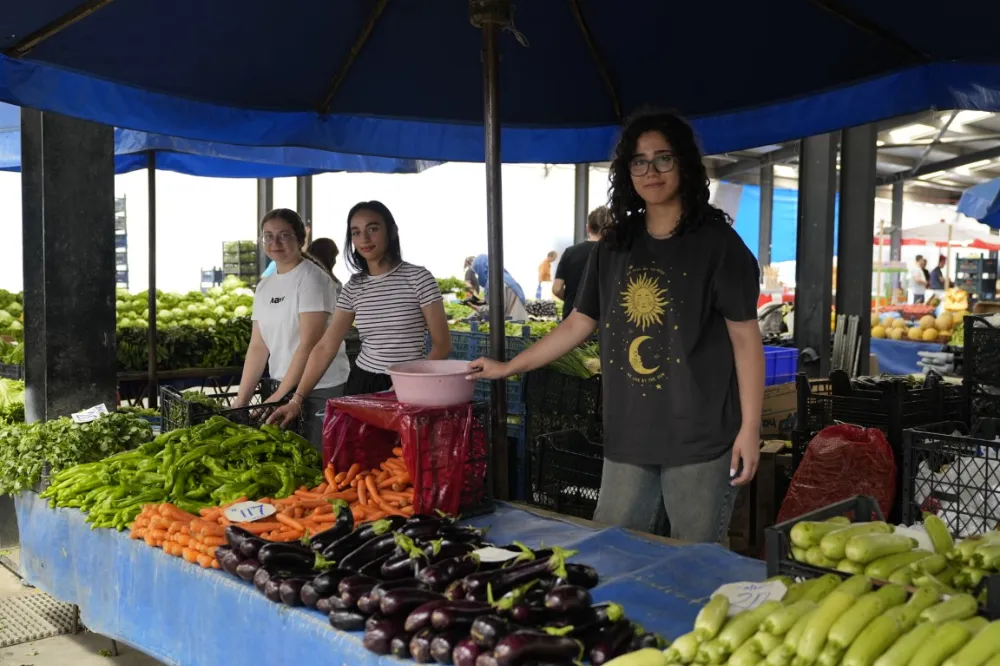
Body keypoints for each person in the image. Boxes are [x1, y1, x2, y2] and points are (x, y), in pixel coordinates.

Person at [468, 111, 764, 544]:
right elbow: (577, 325)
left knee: (694, 565)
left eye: (663, 158)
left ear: (684, 163)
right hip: (629, 435)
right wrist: (509, 367)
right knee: (613, 555)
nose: (652, 171)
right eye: (640, 161)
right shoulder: (615, 246)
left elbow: (745, 340)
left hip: (702, 438)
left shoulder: (719, 246)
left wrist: (750, 429)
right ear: (628, 172)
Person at [269, 201, 451, 427]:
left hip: (410, 383)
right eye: (356, 232)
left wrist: (411, 382)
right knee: (361, 459)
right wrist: (297, 399)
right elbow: (326, 346)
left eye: (373, 229)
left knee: (402, 459)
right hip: (362, 384)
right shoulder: (354, 286)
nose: (364, 239)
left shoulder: (419, 278)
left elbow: (442, 344)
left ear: (392, 231)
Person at [235, 209, 349, 450]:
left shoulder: (312, 280)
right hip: (282, 383)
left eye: (284, 235)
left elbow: (309, 345)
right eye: (268, 236)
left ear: (300, 239)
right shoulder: (265, 285)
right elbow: (258, 346)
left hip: (318, 387)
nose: (275, 242)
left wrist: (280, 396)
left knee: (315, 461)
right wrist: (241, 401)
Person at [553, 207, 607, 319]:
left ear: (588, 228)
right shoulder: (614, 255)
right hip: (603, 318)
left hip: (572, 318)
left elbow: (557, 289)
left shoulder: (570, 252)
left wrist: (573, 300)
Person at [471, 255, 529, 321]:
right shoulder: (504, 277)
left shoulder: (494, 282)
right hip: (519, 321)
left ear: (481, 269)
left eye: (478, 273)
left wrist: (477, 308)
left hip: (510, 325)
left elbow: (495, 311)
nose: (478, 277)